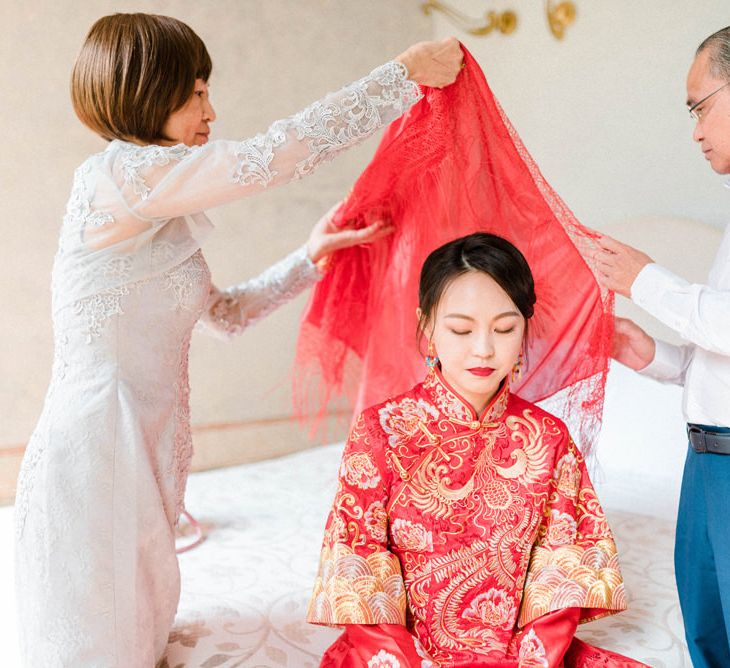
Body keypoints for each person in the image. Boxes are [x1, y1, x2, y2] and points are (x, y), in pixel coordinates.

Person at [13, 12, 463, 667]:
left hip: (149, 444)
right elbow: (269, 158)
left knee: (139, 634)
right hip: (98, 450)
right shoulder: (118, 180)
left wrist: (310, 258)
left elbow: (224, 315)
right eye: (196, 93)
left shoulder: (156, 205)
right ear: (147, 90)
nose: (210, 110)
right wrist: (402, 76)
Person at [308, 233, 646, 667]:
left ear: (525, 326)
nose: (484, 348)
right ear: (426, 324)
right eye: (461, 329)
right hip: (397, 657)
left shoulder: (549, 438)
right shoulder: (383, 431)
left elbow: (561, 575)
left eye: (505, 328)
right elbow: (359, 569)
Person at [595, 26, 730, 668]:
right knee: (708, 631)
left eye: (701, 106)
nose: (696, 130)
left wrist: (645, 277)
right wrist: (651, 354)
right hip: (705, 459)